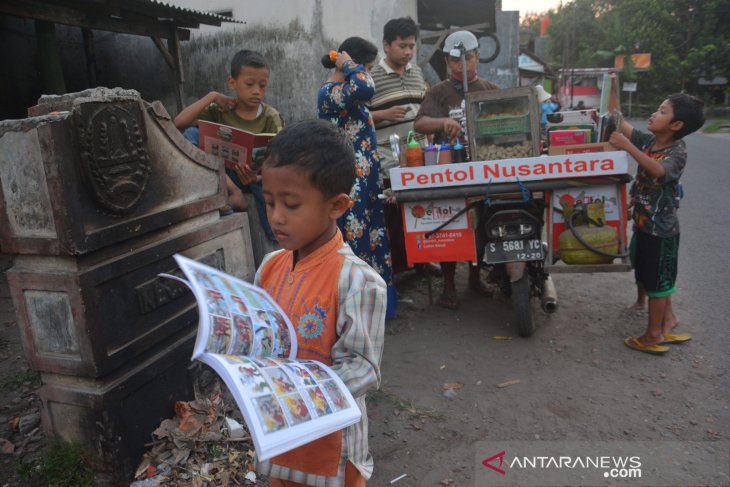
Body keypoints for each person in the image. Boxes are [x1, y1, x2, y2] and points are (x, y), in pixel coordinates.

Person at [255, 119, 386, 486]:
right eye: (269, 202)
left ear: (337, 205)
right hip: (279, 438)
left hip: (331, 451)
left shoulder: (358, 282)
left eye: (291, 204)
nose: (277, 216)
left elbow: (363, 368)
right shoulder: (269, 267)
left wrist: (297, 392)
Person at [608, 93, 705, 355]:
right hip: (643, 224)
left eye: (662, 111)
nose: (654, 114)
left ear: (676, 126)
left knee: (658, 282)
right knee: (647, 271)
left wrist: (628, 148)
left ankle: (653, 335)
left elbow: (658, 171)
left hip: (660, 230)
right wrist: (612, 99)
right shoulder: (651, 141)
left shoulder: (677, 151)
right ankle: (668, 320)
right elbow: (624, 125)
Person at [413, 30, 499, 310]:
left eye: (469, 59)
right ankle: (449, 286)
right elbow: (420, 124)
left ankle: (475, 277)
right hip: (450, 170)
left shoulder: (490, 90)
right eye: (455, 61)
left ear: (477, 58)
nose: (463, 66)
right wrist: (442, 124)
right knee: (451, 225)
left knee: (482, 225)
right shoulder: (438, 92)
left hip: (484, 169)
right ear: (448, 63)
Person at [318, 37, 397, 319]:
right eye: (370, 67)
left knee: (374, 238)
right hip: (350, 181)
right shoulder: (331, 92)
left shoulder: (347, 90)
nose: (370, 73)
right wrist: (348, 63)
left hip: (366, 180)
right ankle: (358, 311)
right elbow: (366, 85)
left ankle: (380, 306)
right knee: (357, 241)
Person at [174, 49, 284, 239]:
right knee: (192, 133)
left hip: (256, 178)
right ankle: (235, 194)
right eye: (249, 84)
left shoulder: (271, 117)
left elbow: (283, 160)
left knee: (273, 181)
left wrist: (256, 178)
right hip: (225, 177)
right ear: (232, 83)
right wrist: (212, 96)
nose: (257, 91)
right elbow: (178, 123)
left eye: (263, 85)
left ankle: (274, 237)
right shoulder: (221, 109)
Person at [368, 17, 437, 275]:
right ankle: (397, 268)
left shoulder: (417, 72)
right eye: (402, 46)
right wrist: (383, 114)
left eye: (411, 46)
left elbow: (424, 109)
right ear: (386, 45)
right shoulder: (370, 78)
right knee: (393, 217)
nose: (408, 52)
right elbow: (358, 119)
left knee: (421, 212)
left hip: (419, 157)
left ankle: (422, 262)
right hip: (388, 160)